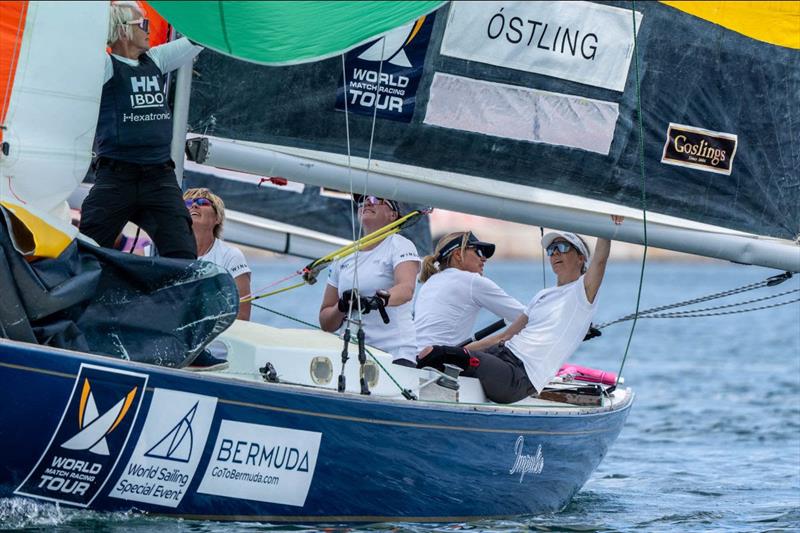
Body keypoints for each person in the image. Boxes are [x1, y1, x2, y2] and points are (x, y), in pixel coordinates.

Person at [417, 216, 624, 404]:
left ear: (580, 258)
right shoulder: (542, 296)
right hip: (502, 355)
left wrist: (607, 224)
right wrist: (457, 351)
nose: (554, 255)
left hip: (519, 375)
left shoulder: (582, 292)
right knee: (442, 356)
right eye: (551, 251)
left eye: (562, 248)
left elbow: (600, 260)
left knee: (444, 355)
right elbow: (504, 336)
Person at [80, 1, 202, 259]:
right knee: (87, 250)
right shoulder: (103, 65)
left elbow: (198, 40)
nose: (148, 30)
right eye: (142, 24)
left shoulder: (156, 60)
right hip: (115, 178)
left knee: (183, 253)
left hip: (159, 178)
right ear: (123, 31)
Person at [319, 195, 420, 364]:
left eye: (374, 199)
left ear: (392, 215)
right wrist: (341, 307)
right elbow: (325, 322)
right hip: (350, 355)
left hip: (394, 353)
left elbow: (406, 289)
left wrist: (376, 301)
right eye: (362, 201)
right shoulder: (343, 257)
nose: (366, 202)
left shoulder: (400, 245)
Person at [414, 231, 524, 351]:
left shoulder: (431, 281)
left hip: (415, 356)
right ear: (457, 255)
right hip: (436, 363)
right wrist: (503, 337)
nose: (484, 258)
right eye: (478, 251)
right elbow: (529, 317)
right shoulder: (471, 281)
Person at [184, 188, 251, 321]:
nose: (194, 205)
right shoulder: (156, 250)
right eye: (187, 203)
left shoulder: (231, 256)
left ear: (217, 218)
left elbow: (242, 317)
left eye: (203, 202)